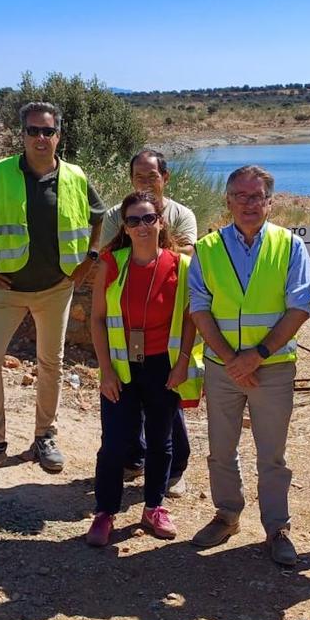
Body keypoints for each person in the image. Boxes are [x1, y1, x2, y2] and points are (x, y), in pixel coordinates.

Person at [0, 102, 106, 475]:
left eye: (47, 131)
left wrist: (88, 259)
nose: (40, 138)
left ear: (58, 136)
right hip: (7, 288)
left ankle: (45, 436)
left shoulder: (74, 175)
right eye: (33, 131)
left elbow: (98, 217)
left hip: (56, 289)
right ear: (22, 134)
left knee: (51, 363)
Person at [187, 165, 310, 567]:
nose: (248, 204)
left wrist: (254, 357)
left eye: (256, 196)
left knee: (272, 454)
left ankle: (277, 528)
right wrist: (231, 360)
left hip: (272, 368)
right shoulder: (207, 249)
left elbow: (299, 307)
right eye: (240, 196)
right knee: (221, 449)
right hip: (223, 369)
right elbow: (200, 309)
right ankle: (227, 515)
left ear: (270, 202)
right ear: (227, 201)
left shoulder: (290, 246)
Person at [86, 192, 204, 546]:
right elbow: (97, 319)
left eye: (148, 219)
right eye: (133, 220)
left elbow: (188, 320)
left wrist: (182, 363)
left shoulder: (180, 266)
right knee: (114, 444)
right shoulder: (111, 262)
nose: (141, 226)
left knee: (161, 441)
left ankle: (154, 506)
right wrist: (105, 370)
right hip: (121, 369)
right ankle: (104, 512)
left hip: (163, 367)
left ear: (161, 221)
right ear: (124, 226)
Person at [102, 149, 199, 497]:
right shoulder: (116, 214)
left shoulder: (181, 214)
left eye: (152, 175)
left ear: (165, 177)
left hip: (167, 327)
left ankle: (175, 470)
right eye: (139, 176)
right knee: (128, 404)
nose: (146, 181)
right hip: (127, 332)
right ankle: (135, 460)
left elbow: (186, 255)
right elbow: (109, 258)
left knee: (167, 409)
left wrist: (149, 249)